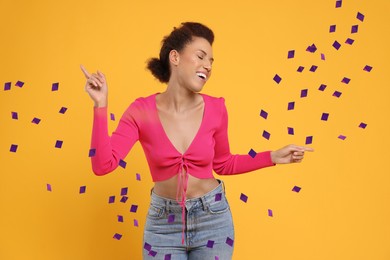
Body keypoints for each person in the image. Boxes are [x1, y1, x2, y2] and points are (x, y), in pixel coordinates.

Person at [81, 22, 313, 260]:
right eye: (201, 56)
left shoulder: (216, 108)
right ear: (175, 57)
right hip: (163, 224)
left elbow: (223, 164)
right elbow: (102, 165)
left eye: (211, 61)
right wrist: (100, 105)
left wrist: (271, 157)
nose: (208, 66)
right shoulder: (141, 111)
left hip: (213, 218)